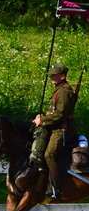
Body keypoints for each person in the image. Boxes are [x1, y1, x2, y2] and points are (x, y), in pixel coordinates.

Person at [30, 64, 76, 200]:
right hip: (55, 126)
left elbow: (61, 114)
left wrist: (43, 121)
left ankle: (56, 189)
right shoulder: (58, 90)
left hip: (62, 129)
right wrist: (43, 117)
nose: (51, 77)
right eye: (51, 74)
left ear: (62, 76)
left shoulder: (65, 92)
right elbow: (55, 112)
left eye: (54, 75)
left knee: (49, 154)